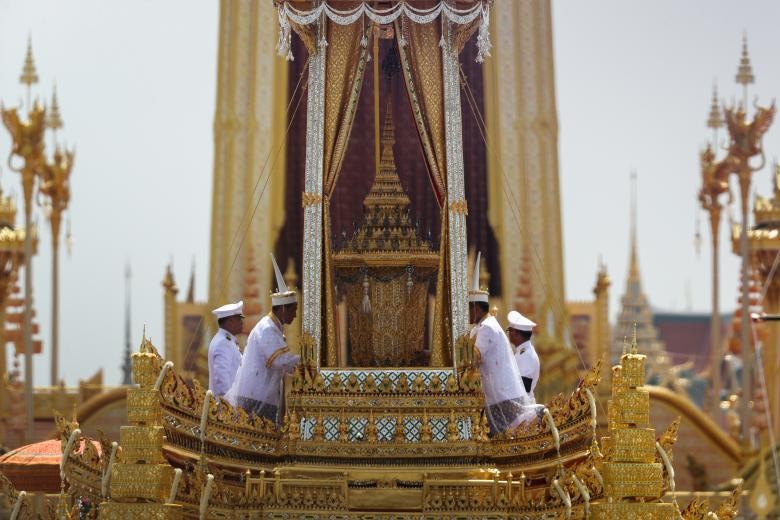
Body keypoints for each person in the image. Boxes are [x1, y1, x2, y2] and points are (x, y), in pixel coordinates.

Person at [225, 254, 300, 425]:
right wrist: (306, 361)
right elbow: (281, 360)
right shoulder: (267, 329)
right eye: (293, 310)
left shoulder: (274, 328)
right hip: (256, 397)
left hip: (262, 395)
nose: (295, 315)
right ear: (282, 309)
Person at [468, 252, 530, 434]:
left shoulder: (487, 327)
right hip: (498, 393)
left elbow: (474, 357)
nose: (467, 315)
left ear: (477, 309)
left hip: (503, 396)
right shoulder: (483, 326)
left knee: (508, 437)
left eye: (469, 310)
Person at [207, 300, 244, 398]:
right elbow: (221, 379)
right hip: (226, 407)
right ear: (230, 321)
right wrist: (229, 406)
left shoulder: (227, 341)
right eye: (239, 319)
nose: (242, 322)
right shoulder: (223, 343)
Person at [506, 310, 540, 404]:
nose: (508, 334)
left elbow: (523, 388)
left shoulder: (527, 356)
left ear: (516, 334)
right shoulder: (521, 353)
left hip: (522, 408)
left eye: (509, 330)